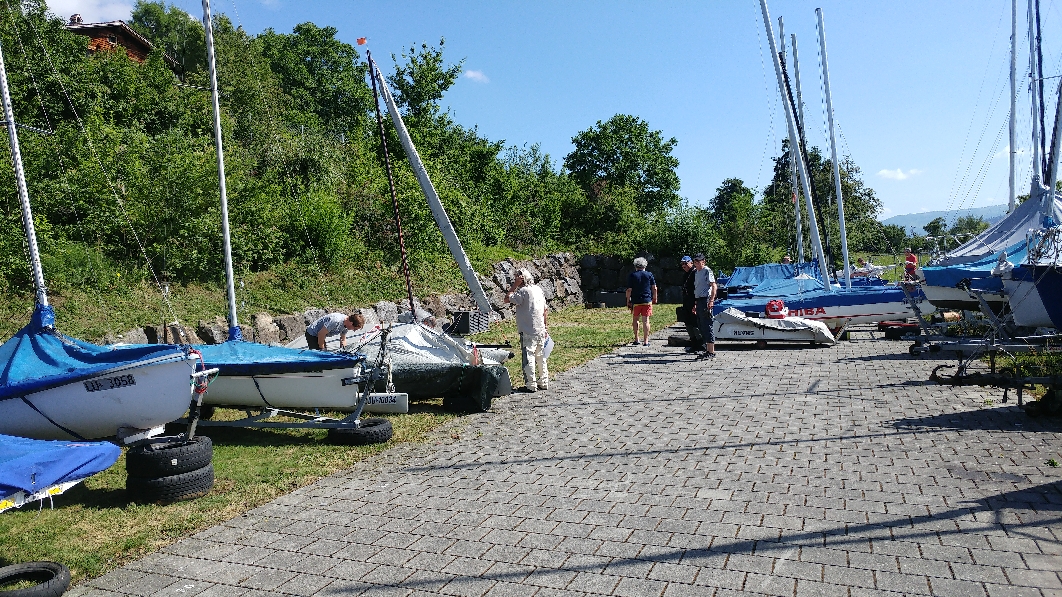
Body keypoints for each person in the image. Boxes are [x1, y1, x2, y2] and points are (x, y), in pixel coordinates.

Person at [505, 267, 549, 392]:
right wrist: (545, 326)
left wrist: (514, 285)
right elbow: (545, 310)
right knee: (540, 356)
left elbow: (507, 299)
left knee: (529, 356)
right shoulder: (538, 289)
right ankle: (544, 381)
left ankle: (531, 384)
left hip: (527, 329)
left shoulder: (522, 291)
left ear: (521, 279)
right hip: (540, 328)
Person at [625, 257, 658, 346]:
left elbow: (629, 290)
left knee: (635, 319)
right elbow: (654, 288)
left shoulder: (632, 275)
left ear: (635, 265)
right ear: (645, 265)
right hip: (647, 300)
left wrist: (628, 300)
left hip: (636, 301)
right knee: (646, 320)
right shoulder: (649, 274)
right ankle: (646, 341)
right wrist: (655, 297)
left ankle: (637, 339)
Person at [691, 253, 717, 358]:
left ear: (703, 261)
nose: (696, 263)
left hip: (706, 300)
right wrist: (695, 303)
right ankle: (707, 349)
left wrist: (711, 300)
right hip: (699, 300)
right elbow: (698, 288)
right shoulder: (696, 272)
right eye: (695, 261)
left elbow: (714, 286)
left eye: (698, 261)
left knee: (707, 324)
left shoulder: (707, 271)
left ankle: (711, 351)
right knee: (701, 325)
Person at [679, 256, 703, 352]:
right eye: (682, 264)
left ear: (691, 263)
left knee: (695, 323)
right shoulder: (685, 274)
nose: (684, 266)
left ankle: (701, 344)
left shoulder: (695, 273)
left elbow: (697, 289)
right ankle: (694, 344)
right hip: (686, 301)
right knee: (687, 322)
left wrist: (696, 303)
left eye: (685, 263)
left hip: (694, 301)